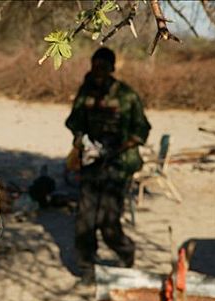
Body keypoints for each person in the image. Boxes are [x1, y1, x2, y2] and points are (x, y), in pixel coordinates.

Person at [65, 47, 151, 281]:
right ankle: (86, 267)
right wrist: (82, 140)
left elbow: (142, 128)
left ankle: (126, 252)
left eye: (103, 67)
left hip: (118, 165)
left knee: (108, 220)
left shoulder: (126, 96)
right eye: (95, 66)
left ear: (112, 68)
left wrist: (120, 147)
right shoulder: (86, 92)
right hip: (93, 163)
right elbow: (75, 122)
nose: (98, 72)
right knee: (85, 217)